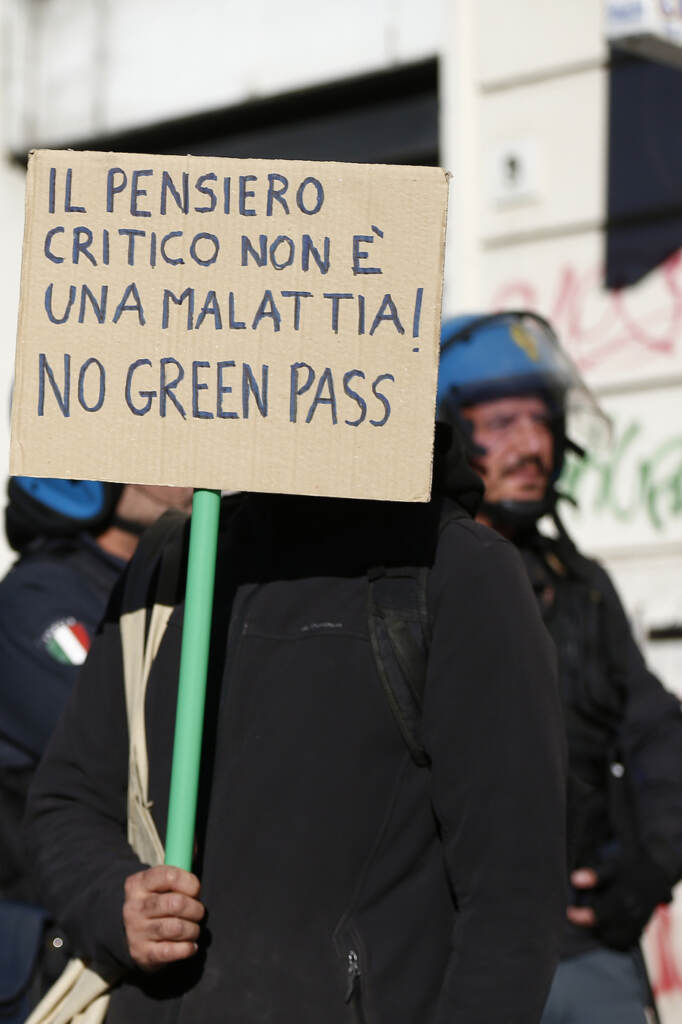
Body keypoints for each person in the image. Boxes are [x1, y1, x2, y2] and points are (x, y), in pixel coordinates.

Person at [25, 427, 567, 1023]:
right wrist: (115, 905)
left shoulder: (457, 569)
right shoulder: (171, 562)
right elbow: (67, 802)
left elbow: (512, 899)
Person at [437, 310, 682, 1024]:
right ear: (445, 433)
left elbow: (658, 731)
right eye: (503, 421)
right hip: (449, 955)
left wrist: (650, 862)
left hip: (583, 951)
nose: (532, 445)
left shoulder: (580, 585)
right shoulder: (408, 579)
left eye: (541, 421)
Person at [0, 477, 192, 1021]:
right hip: (55, 957)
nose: (180, 471)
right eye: (151, 454)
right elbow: (124, 750)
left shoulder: (176, 588)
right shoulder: (38, 601)